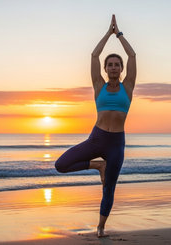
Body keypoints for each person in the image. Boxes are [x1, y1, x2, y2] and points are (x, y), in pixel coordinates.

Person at [54, 14, 136, 238]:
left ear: (121, 69)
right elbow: (93, 54)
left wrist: (118, 34)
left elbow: (132, 54)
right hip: (97, 138)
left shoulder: (127, 87)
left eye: (116, 65)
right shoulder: (98, 85)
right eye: (109, 65)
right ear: (105, 68)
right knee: (60, 164)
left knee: (109, 188)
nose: (113, 67)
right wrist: (106, 34)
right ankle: (97, 165)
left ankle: (100, 227)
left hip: (116, 144)